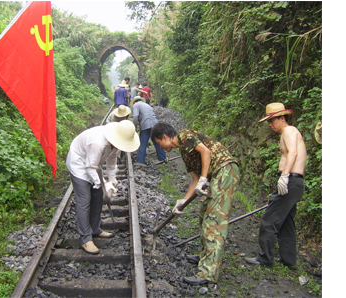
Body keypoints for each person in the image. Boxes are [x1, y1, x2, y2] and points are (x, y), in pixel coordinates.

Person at [151, 122, 240, 285]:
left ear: (164, 137)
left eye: (159, 143)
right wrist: (182, 202)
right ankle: (205, 255)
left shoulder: (184, 136)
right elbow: (195, 180)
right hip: (216, 174)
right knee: (204, 214)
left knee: (214, 220)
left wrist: (205, 178)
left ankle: (208, 273)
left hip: (225, 169)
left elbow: (205, 152)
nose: (161, 147)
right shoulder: (184, 153)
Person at [245, 103, 307, 269]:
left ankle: (265, 258)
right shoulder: (288, 132)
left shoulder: (289, 131)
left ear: (282, 118)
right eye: (268, 121)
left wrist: (285, 176)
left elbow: (293, 153)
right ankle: (289, 260)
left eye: (272, 120)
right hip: (294, 181)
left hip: (291, 180)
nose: (270, 124)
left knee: (269, 219)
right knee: (286, 221)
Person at [65, 120, 140, 254]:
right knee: (84, 200)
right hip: (80, 163)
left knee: (98, 196)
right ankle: (85, 238)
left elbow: (111, 163)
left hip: (92, 164)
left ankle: (95, 228)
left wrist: (112, 180)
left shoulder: (116, 143)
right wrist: (102, 183)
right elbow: (90, 167)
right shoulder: (97, 143)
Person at [131, 96, 166, 166]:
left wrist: (134, 127)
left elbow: (135, 116)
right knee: (157, 141)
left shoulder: (135, 105)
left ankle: (140, 162)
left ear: (135, 101)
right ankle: (162, 159)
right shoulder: (147, 105)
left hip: (146, 124)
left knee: (143, 143)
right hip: (155, 124)